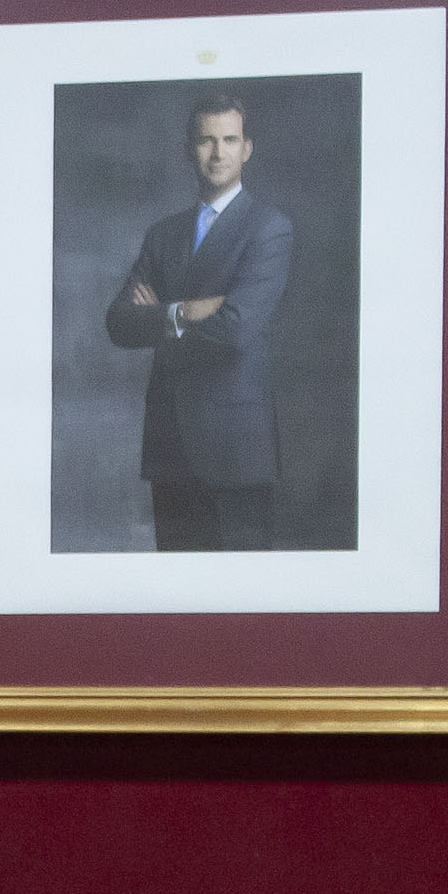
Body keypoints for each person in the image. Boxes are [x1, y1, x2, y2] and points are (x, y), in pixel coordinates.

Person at [104, 93, 294, 552]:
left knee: (241, 590)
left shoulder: (268, 228)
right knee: (175, 587)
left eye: (229, 140)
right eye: (206, 140)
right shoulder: (163, 233)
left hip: (236, 450)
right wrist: (184, 312)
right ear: (190, 148)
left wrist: (159, 318)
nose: (217, 152)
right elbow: (119, 322)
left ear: (247, 148)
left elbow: (235, 330)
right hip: (169, 447)